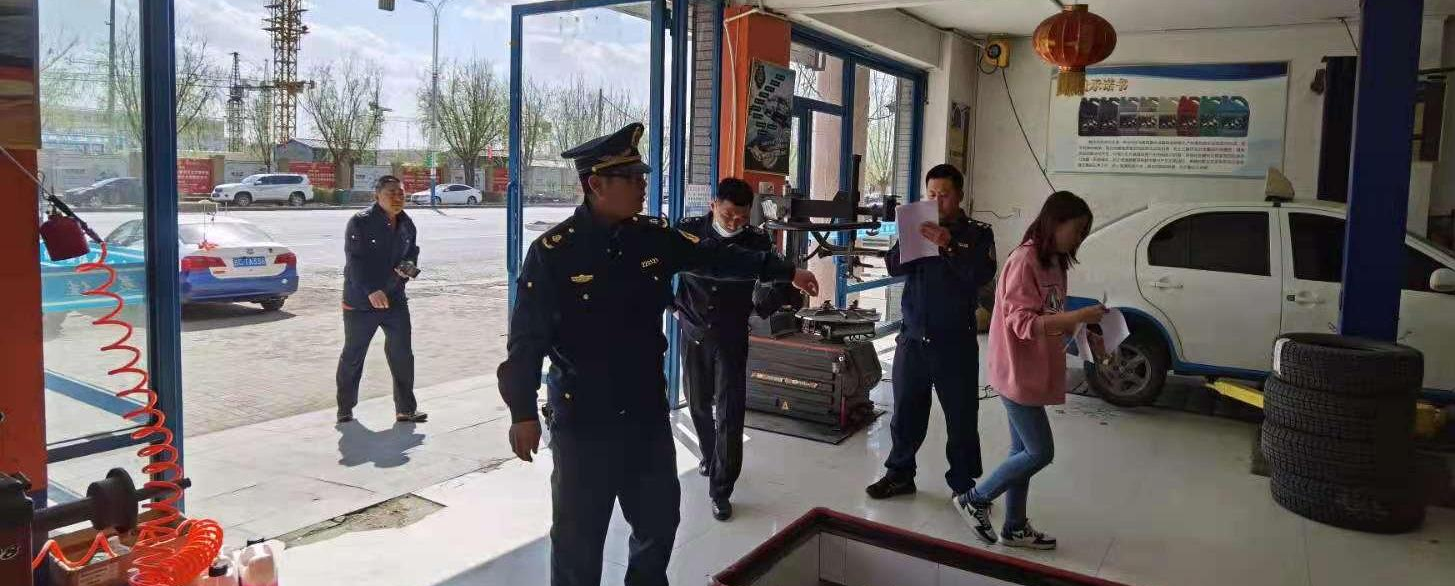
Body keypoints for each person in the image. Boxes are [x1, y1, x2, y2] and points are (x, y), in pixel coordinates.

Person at [497, 123, 818, 586]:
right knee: (577, 540)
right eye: (632, 177)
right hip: (584, 419)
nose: (643, 184)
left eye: (642, 175)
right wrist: (522, 412)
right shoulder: (553, 253)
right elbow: (525, 341)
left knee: (659, 523)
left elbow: (717, 257)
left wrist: (785, 270)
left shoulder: (652, 237)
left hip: (645, 413)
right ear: (596, 184)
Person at [955, 190, 1105, 549]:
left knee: (1021, 452)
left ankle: (1015, 526)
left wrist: (1088, 336)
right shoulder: (1024, 262)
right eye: (1077, 230)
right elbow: (1023, 324)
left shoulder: (1055, 263)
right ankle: (975, 499)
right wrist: (1077, 316)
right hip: (1016, 371)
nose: (1079, 239)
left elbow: (1052, 317)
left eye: (1084, 233)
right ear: (1056, 222)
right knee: (1040, 452)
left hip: (1034, 369)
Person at [866, 164, 996, 508]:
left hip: (955, 342)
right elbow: (894, 267)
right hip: (913, 338)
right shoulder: (917, 225)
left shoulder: (978, 234)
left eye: (945, 195)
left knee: (961, 417)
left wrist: (949, 244)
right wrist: (909, 239)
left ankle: (964, 484)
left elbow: (981, 275)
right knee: (906, 412)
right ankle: (899, 474)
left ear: (960, 196)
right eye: (932, 195)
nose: (937, 202)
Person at [674, 177, 777, 522]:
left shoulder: (757, 241)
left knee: (730, 412)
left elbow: (775, 283)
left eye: (741, 217)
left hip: (732, 335)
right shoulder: (688, 231)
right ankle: (709, 455)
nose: (734, 223)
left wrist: (759, 309)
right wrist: (673, 308)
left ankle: (722, 488)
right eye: (728, 215)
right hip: (693, 331)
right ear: (713, 205)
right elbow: (659, 271)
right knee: (698, 403)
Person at [336, 175, 428, 424]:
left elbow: (412, 252)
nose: (398, 197)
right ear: (377, 196)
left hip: (394, 298)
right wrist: (371, 290)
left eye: (401, 193)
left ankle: (405, 409)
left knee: (402, 354)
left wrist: (408, 267)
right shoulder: (360, 222)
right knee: (353, 355)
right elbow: (355, 262)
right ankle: (345, 408)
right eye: (391, 193)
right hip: (361, 302)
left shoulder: (407, 223)